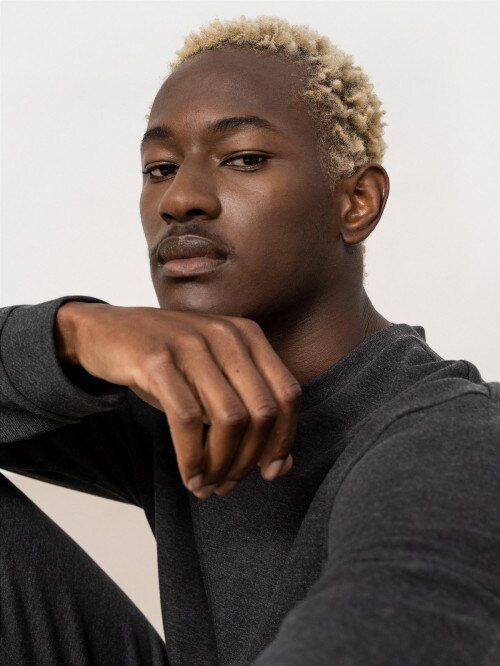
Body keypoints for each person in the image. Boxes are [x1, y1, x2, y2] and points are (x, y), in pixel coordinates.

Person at [0, 14, 499, 666]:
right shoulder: (177, 405)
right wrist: (75, 334)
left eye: (244, 159)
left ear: (357, 202)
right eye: (159, 168)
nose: (180, 199)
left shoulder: (453, 439)